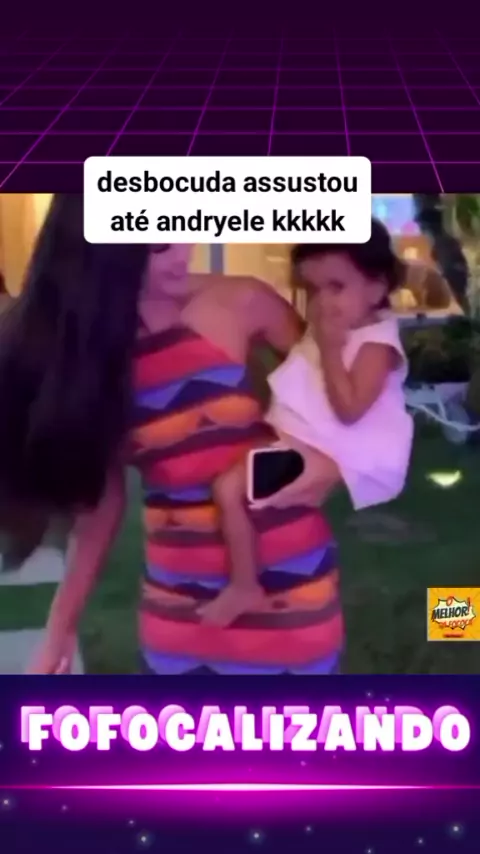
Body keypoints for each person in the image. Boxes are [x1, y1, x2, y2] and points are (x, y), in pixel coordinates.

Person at [0, 194, 344, 675]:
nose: (184, 250)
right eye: (159, 243)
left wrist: (333, 463)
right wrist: (60, 627)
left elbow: (346, 404)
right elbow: (101, 509)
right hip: (180, 614)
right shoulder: (93, 355)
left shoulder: (243, 302)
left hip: (292, 597)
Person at [200, 220, 414, 627]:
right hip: (308, 444)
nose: (321, 303)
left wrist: (331, 350)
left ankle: (249, 583)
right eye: (312, 291)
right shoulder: (330, 331)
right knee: (231, 489)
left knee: (236, 491)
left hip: (343, 453)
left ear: (376, 287)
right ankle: (252, 580)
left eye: (336, 287)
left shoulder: (376, 345)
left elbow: (350, 410)